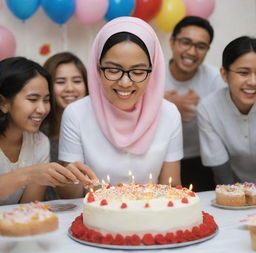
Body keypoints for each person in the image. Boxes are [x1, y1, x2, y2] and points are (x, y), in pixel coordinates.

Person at [58, 17, 183, 198]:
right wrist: (68, 177)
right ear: (97, 68)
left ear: (153, 71)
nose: (125, 82)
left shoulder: (169, 114)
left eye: (138, 72)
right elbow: (70, 197)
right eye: (113, 70)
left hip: (152, 218)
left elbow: (171, 191)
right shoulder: (76, 114)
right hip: (94, 221)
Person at [0, 57, 96, 205]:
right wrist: (30, 174)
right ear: (3, 103)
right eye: (33, 99)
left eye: (46, 100)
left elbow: (28, 210)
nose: (42, 109)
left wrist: (68, 176)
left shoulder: (40, 143)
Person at [164, 16, 226, 191]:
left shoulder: (216, 78)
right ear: (172, 42)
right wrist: (166, 108)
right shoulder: (153, 75)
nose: (192, 51)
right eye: (186, 42)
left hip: (202, 161)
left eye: (201, 46)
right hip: (161, 160)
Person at [198, 36, 256, 184]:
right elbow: (221, 170)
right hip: (235, 186)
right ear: (224, 74)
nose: (252, 82)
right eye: (243, 73)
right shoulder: (208, 108)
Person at [42, 52, 88, 200]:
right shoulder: (38, 132)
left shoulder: (95, 127)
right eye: (60, 82)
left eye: (77, 81)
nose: (70, 88)